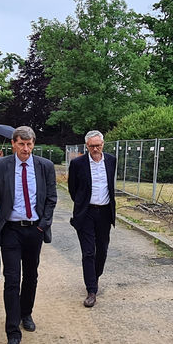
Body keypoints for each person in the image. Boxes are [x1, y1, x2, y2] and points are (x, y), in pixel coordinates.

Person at [0, 126, 57, 344]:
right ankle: (13, 333)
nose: (25, 149)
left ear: (34, 144)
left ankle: (26, 313)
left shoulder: (45, 166)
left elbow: (52, 198)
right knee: (12, 279)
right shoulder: (1, 166)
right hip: (11, 230)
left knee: (31, 275)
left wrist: (43, 225)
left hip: (35, 229)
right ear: (13, 144)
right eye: (21, 144)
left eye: (29, 144)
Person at [66, 130, 117, 308]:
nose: (95, 149)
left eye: (98, 145)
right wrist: (82, 205)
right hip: (86, 213)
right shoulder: (78, 163)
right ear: (86, 146)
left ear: (103, 144)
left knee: (102, 250)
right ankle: (91, 290)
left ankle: (94, 277)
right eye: (92, 146)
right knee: (88, 252)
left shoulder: (111, 160)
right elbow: (73, 189)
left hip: (104, 212)